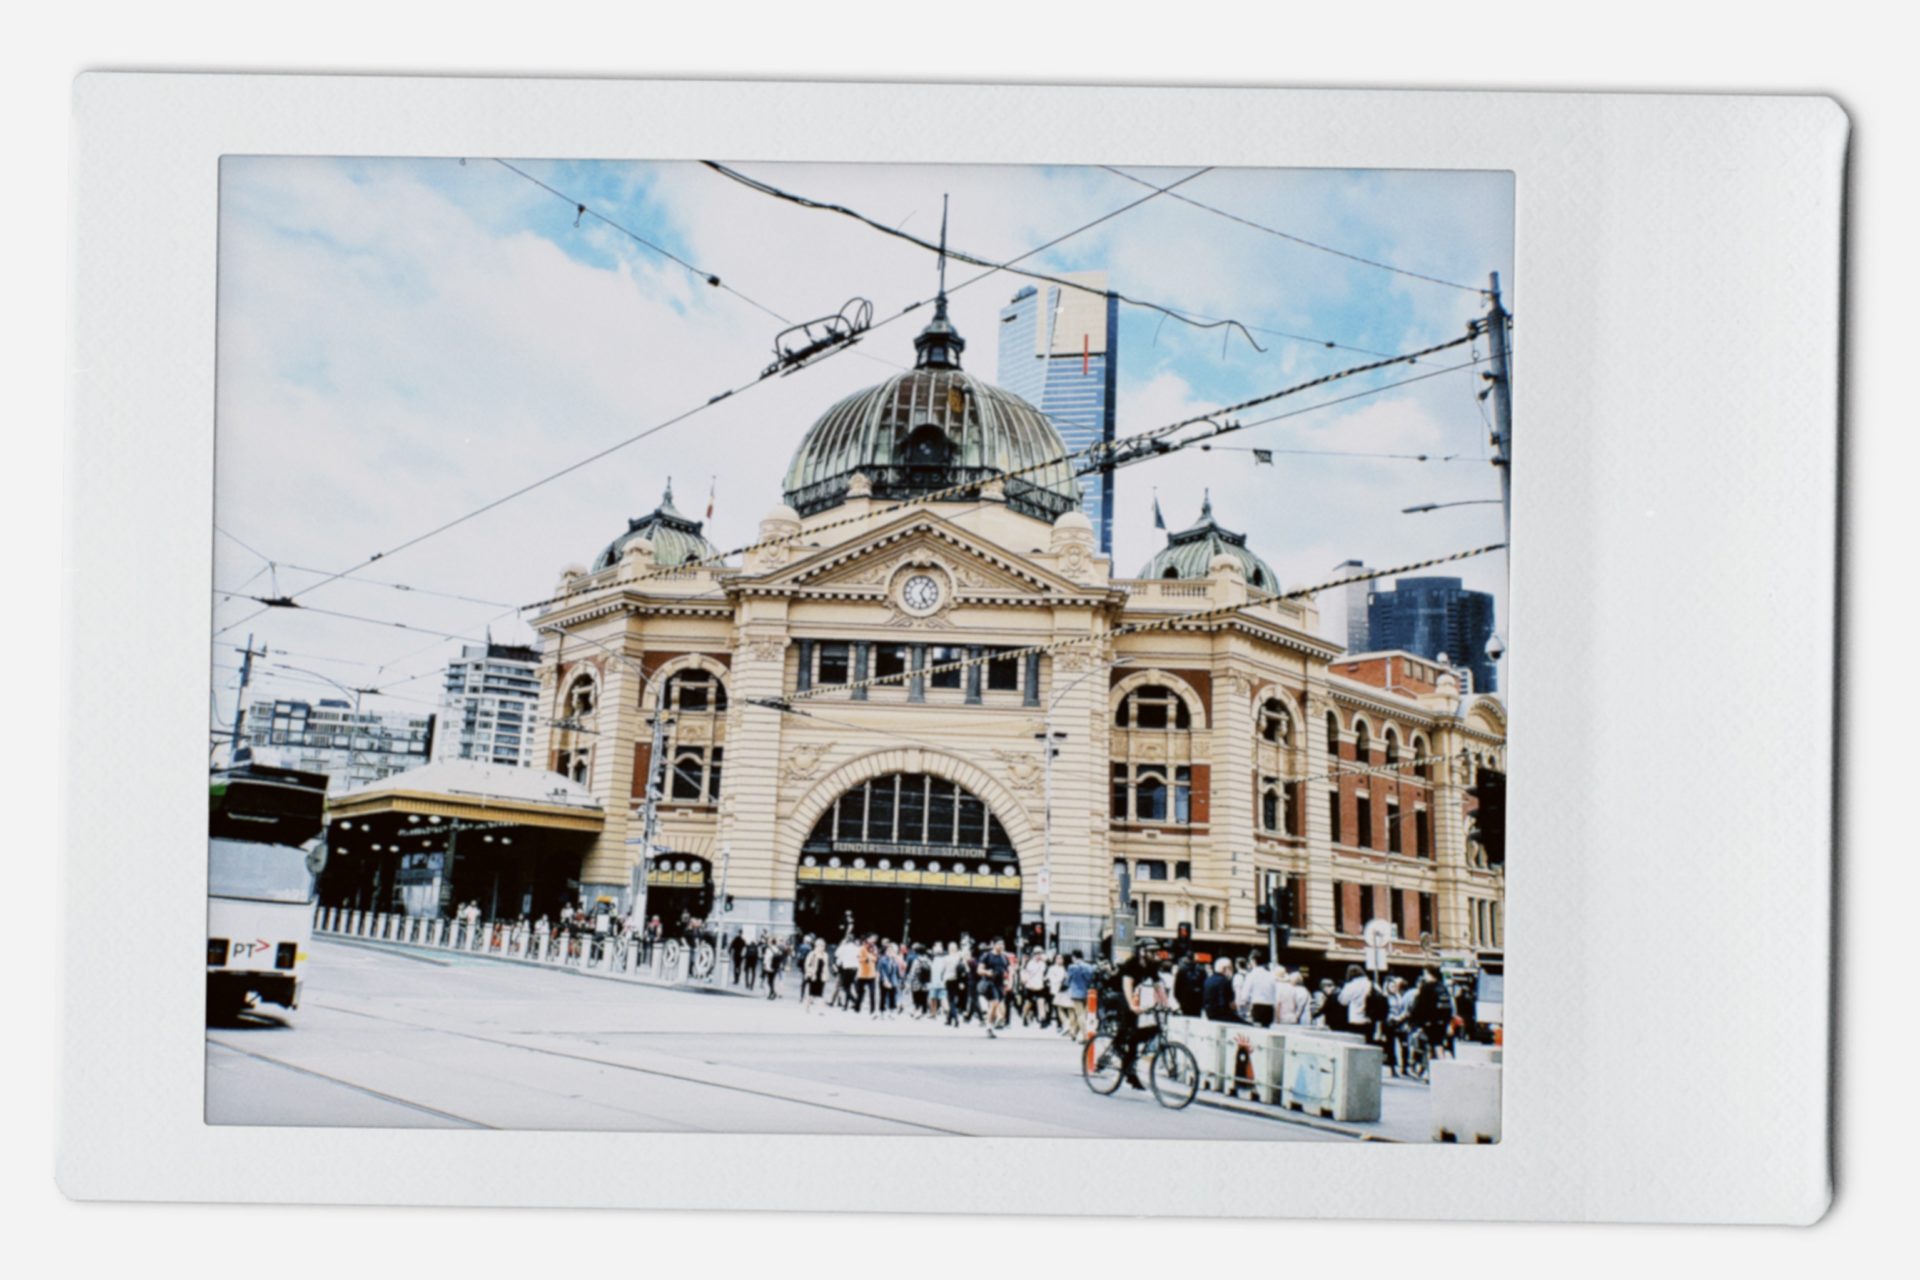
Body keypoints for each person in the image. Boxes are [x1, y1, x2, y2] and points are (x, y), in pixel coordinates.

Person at [1112, 941, 1160, 1090]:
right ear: (1142, 951)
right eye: (1151, 952)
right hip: (1119, 994)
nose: (1155, 955)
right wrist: (1132, 1006)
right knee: (1128, 1026)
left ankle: (1129, 1070)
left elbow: (1159, 986)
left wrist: (1168, 1005)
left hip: (1133, 995)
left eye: (1155, 952)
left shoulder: (1151, 965)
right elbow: (1127, 985)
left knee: (1147, 1031)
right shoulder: (1131, 963)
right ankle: (1116, 1045)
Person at [976, 938, 1011, 1038]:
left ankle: (990, 1024)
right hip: (989, 983)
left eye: (1003, 944)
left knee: (996, 1006)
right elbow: (979, 970)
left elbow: (1007, 971)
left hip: (1000, 984)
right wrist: (987, 972)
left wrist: (1008, 982)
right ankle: (989, 1027)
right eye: (999, 944)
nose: (1001, 946)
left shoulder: (1004, 957)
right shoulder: (987, 956)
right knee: (994, 1003)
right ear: (994, 945)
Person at [1062, 951, 1095, 1042]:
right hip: (1088, 993)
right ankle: (1074, 1032)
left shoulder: (1072, 967)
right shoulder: (1089, 967)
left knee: (1079, 1014)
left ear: (1074, 957)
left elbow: (1067, 981)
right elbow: (1091, 979)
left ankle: (1085, 1035)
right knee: (1084, 1014)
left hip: (1076, 993)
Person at [1202, 957, 1244, 1022]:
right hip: (1223, 1016)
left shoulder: (1208, 980)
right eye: (1230, 968)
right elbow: (1229, 1003)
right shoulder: (1224, 981)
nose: (1232, 970)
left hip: (1210, 1014)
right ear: (1224, 968)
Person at [1340, 964, 1374, 1036]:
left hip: (1356, 1018)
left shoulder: (1351, 986)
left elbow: (1343, 1002)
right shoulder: (1371, 983)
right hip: (1370, 1018)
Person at [1245, 957, 1279, 1027]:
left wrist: (1247, 1003)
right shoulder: (1271, 974)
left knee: (1257, 1031)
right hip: (1269, 1007)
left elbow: (1245, 993)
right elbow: (1275, 991)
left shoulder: (1252, 974)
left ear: (1254, 962)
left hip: (1257, 1006)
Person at [802, 938, 831, 1014]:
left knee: (820, 994)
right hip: (813, 977)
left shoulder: (825, 955)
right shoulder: (812, 954)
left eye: (823, 946)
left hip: (821, 977)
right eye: (821, 946)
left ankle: (820, 1010)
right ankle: (807, 1007)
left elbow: (826, 966)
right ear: (816, 946)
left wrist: (826, 975)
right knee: (811, 994)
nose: (822, 947)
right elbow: (807, 965)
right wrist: (810, 973)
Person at [833, 933, 859, 1010]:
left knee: (845, 987)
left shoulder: (843, 947)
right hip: (854, 969)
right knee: (849, 987)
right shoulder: (856, 948)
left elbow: (837, 956)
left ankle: (854, 1002)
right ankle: (847, 1004)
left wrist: (836, 966)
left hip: (846, 968)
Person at [855, 935, 879, 1015]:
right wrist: (866, 959)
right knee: (860, 992)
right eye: (870, 939)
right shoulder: (862, 948)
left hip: (871, 974)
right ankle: (857, 1008)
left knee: (872, 992)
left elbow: (876, 959)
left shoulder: (875, 948)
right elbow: (859, 959)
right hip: (862, 974)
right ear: (867, 939)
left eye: (873, 940)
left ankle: (872, 1010)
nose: (872, 941)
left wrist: (872, 958)